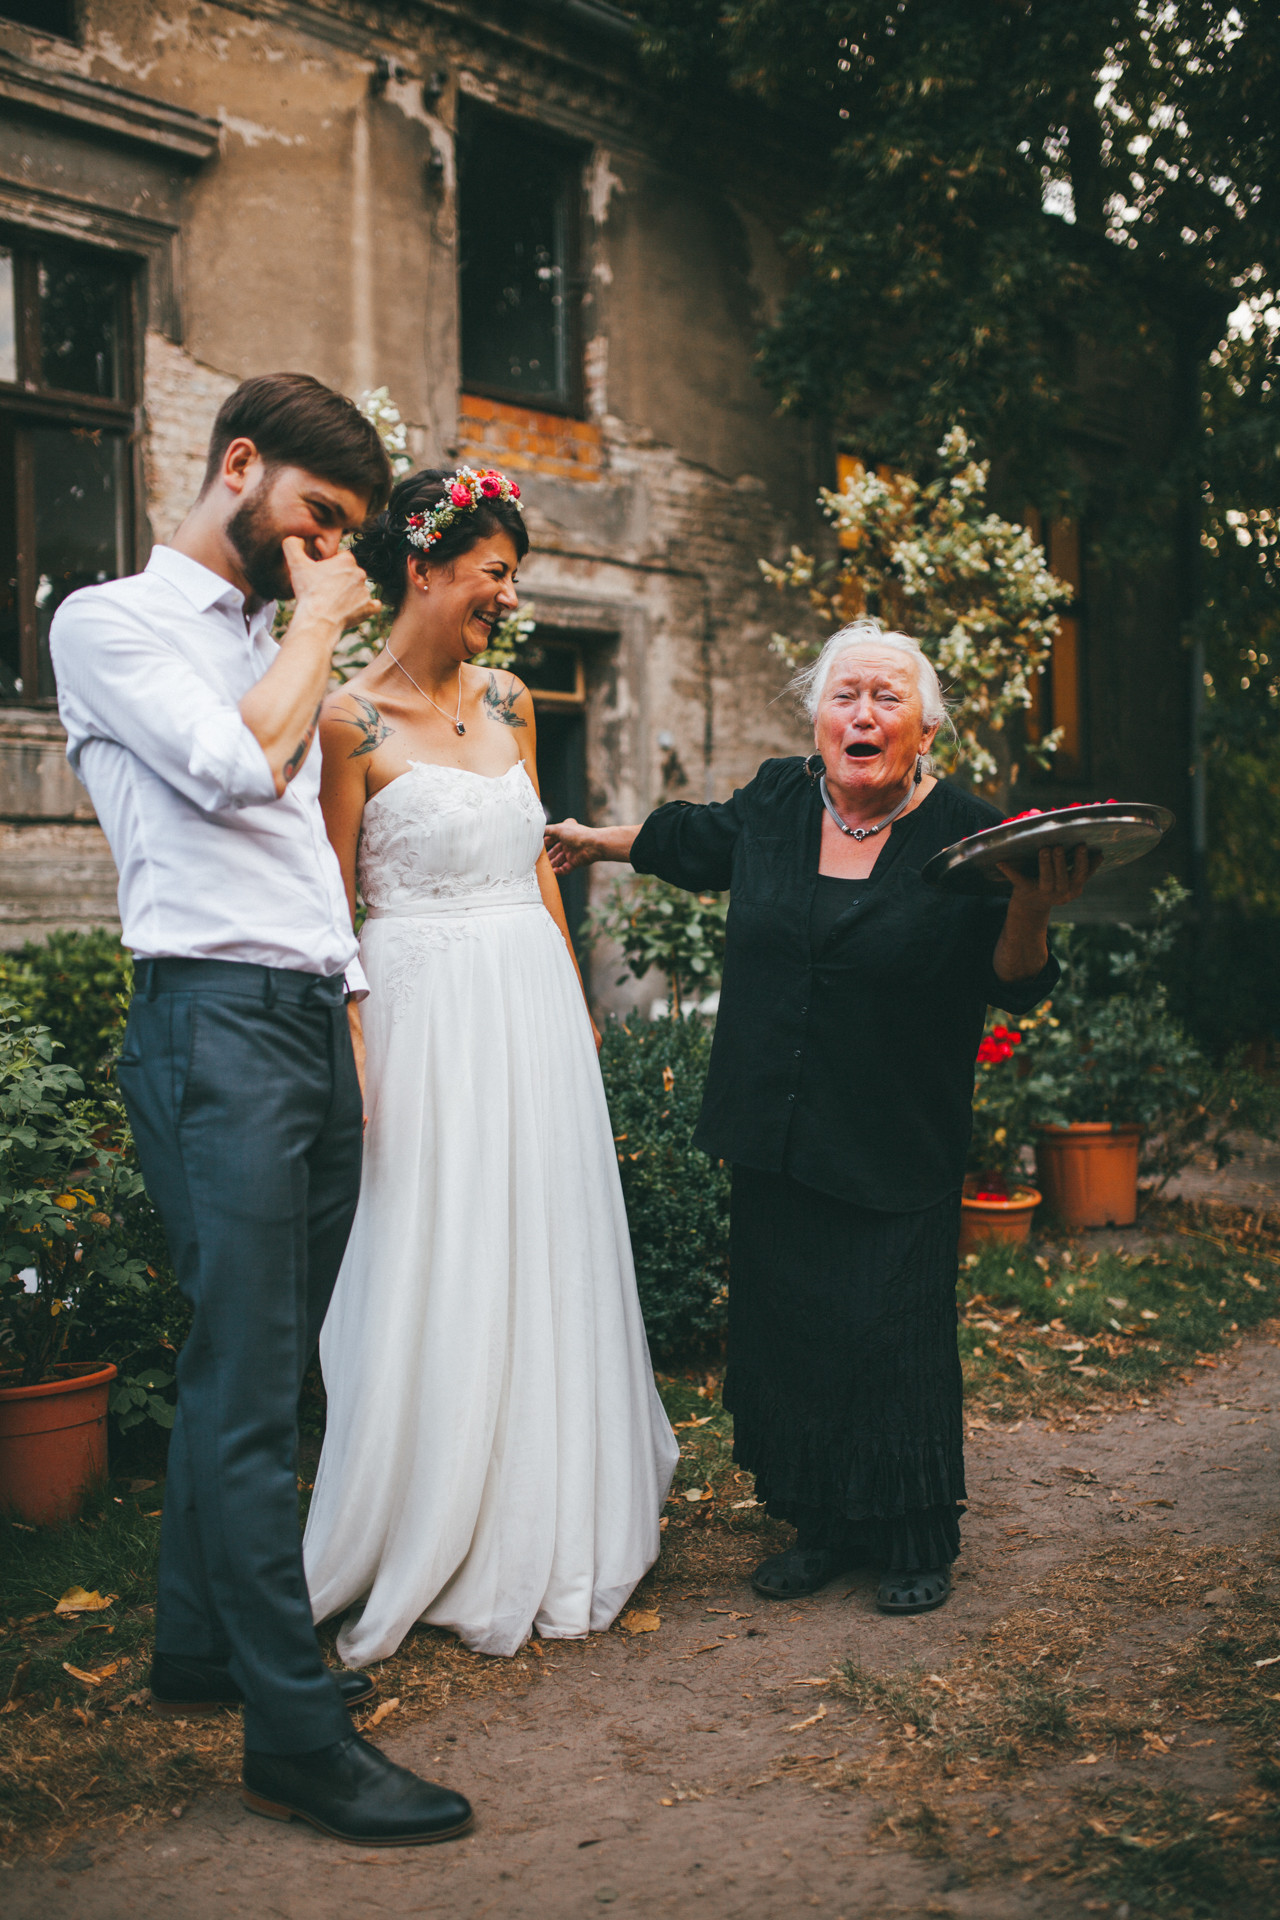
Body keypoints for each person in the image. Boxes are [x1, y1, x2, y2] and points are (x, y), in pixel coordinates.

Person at [50, 374, 472, 1846]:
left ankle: (193, 1645)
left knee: (265, 1363)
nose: (328, 558)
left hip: (298, 1017)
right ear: (241, 468)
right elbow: (236, 773)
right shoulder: (109, 623)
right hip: (208, 1026)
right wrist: (312, 626)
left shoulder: (260, 639)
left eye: (343, 538)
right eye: (319, 521)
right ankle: (294, 1738)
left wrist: (348, 1009)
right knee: (242, 1389)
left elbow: (304, 858)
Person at [545, 619, 1095, 1616]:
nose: (864, 714)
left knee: (889, 1340)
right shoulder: (777, 801)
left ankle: (909, 1533)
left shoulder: (969, 835)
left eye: (887, 699)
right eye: (846, 695)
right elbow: (692, 839)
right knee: (791, 1332)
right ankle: (817, 1521)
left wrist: (1030, 904)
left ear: (921, 729)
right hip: (775, 1126)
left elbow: (1012, 985)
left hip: (891, 1133)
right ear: (816, 716)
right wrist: (597, 841)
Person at [300, 466, 677, 1663]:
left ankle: (552, 1496)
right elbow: (326, 904)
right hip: (422, 1011)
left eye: (510, 577)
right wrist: (355, 1040)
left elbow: (532, 875)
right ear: (422, 565)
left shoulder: (510, 699)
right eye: (494, 573)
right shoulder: (345, 720)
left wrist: (573, 1014)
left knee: (541, 1239)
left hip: (526, 1001)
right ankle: (428, 1514)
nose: (506, 598)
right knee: (434, 1243)